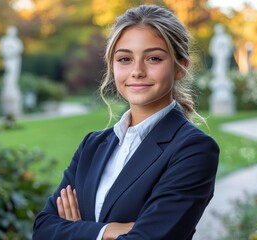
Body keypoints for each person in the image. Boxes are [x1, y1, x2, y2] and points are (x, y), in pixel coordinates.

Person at [32, 4, 219, 240]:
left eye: (153, 58)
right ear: (112, 66)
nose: (137, 71)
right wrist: (107, 231)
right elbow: (43, 230)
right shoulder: (92, 146)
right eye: (124, 59)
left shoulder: (193, 150)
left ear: (180, 67)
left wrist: (76, 230)